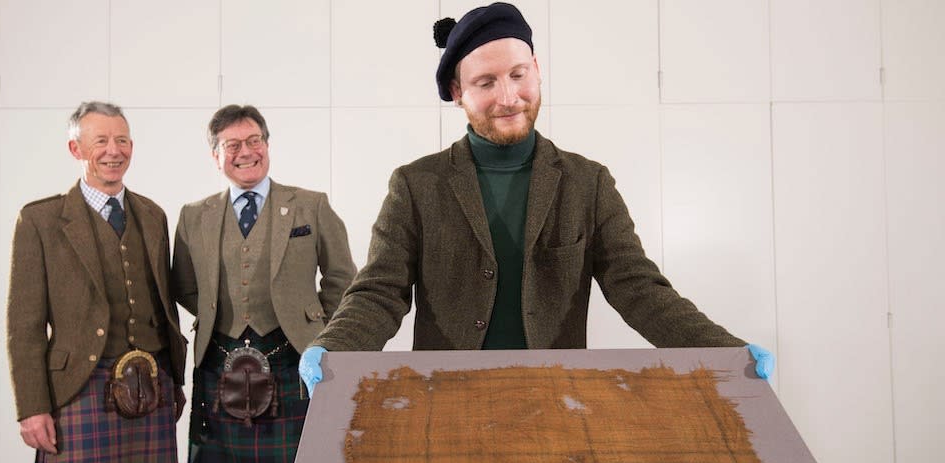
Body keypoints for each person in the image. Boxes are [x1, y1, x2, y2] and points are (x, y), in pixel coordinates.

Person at [299, 2, 774, 394]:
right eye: (485, 83)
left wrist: (722, 348)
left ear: (538, 71)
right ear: (456, 92)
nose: (508, 97)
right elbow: (380, 292)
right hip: (445, 400)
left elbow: (638, 289)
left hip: (557, 398)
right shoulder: (415, 185)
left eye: (518, 74)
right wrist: (334, 346)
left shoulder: (588, 183)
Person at [7, 101, 186, 463]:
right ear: (76, 149)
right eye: (100, 141)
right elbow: (25, 327)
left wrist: (173, 381)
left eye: (121, 140)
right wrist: (32, 408)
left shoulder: (152, 214)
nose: (113, 151)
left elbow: (164, 304)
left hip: (149, 383)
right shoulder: (41, 220)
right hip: (79, 387)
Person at [171, 105, 356, 463]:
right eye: (233, 144)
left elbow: (342, 278)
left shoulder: (311, 204)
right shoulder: (193, 215)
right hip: (221, 361)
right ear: (216, 156)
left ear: (267, 145)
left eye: (255, 140)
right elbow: (186, 285)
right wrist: (220, 317)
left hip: (295, 357)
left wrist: (314, 323)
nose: (246, 152)